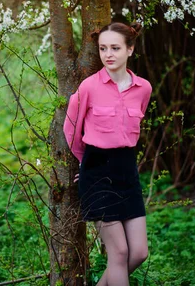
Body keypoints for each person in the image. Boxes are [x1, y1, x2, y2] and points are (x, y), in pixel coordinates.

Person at [63, 22, 152, 286]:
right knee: (119, 253)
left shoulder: (143, 88)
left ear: (130, 50)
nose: (108, 54)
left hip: (127, 173)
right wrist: (86, 165)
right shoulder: (89, 87)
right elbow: (71, 130)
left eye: (115, 48)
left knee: (138, 253)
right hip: (97, 171)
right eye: (103, 48)